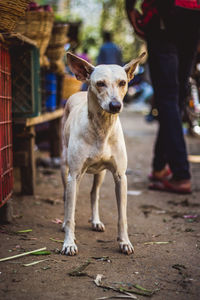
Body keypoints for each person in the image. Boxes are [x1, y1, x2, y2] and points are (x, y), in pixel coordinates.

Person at [125, 0, 200, 194]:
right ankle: (159, 167)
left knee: (168, 98)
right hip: (193, 16)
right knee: (176, 97)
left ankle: (181, 175)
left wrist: (130, 8)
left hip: (164, 14)